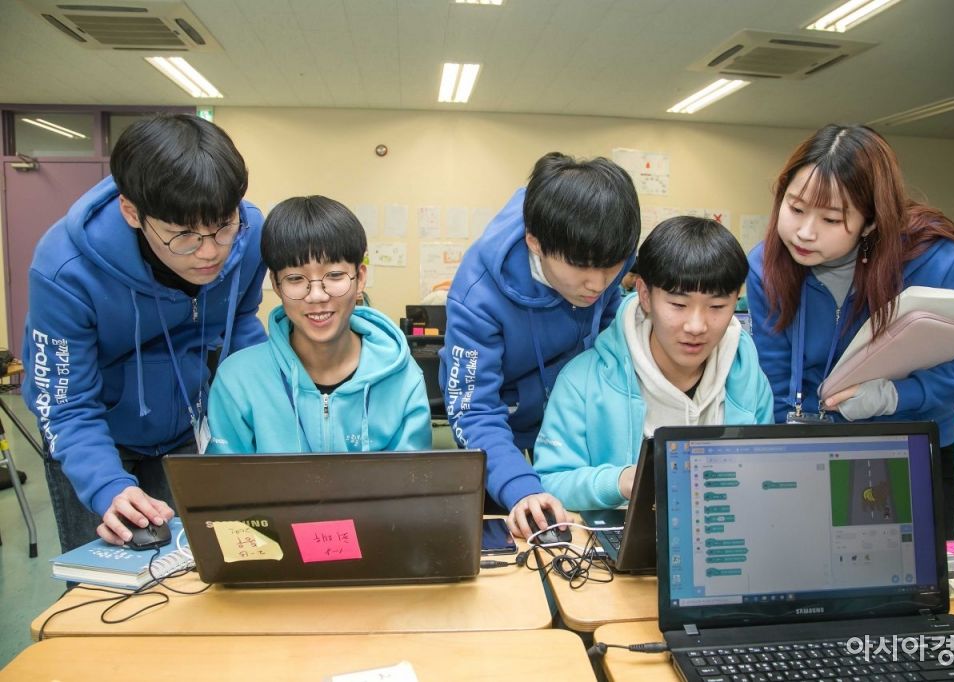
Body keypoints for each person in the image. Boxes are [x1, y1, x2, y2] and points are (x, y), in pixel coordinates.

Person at [746, 123, 954, 540]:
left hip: (906, 448)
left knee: (901, 573)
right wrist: (781, 458)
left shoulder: (932, 261)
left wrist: (897, 395)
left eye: (831, 218)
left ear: (870, 222)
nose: (805, 232)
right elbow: (774, 374)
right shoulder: (766, 265)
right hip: (806, 448)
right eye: (795, 208)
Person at [23, 114, 266, 551]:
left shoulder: (250, 235)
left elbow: (241, 323)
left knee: (199, 563)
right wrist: (106, 486)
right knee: (109, 578)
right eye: (183, 236)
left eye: (223, 226)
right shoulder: (65, 270)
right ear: (132, 212)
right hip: (95, 437)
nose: (210, 253)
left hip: (187, 428)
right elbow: (65, 403)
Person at [442, 151, 640, 537]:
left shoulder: (605, 255)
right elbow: (474, 410)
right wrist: (521, 488)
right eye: (581, 266)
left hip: (576, 426)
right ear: (535, 242)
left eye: (611, 266)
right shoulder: (477, 295)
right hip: (508, 429)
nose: (598, 284)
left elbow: (610, 337)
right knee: (524, 518)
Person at [533, 217, 774, 510]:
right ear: (645, 296)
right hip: (619, 537)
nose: (696, 326)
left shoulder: (748, 378)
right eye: (678, 305)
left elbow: (765, 475)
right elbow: (550, 481)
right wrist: (622, 481)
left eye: (717, 306)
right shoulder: (582, 381)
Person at [207, 196, 431, 454]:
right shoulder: (238, 379)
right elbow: (227, 478)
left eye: (334, 275)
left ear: (359, 278)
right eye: (295, 278)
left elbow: (411, 476)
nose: (316, 295)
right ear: (276, 284)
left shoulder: (402, 377)